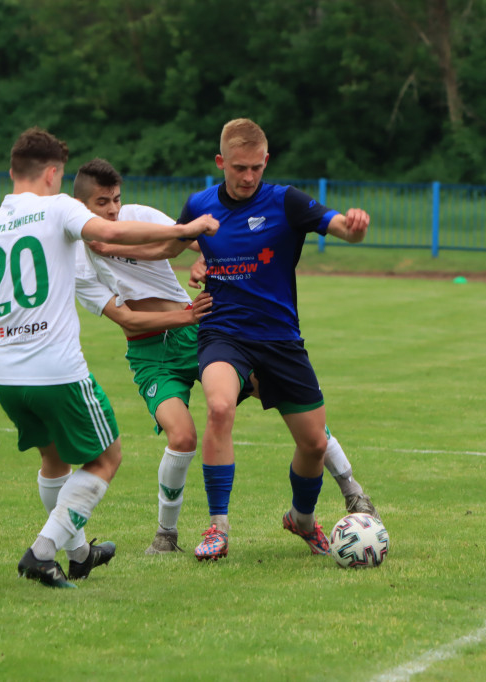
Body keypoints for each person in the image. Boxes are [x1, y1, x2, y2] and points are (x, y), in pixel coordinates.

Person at [0, 127, 218, 588]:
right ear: (53, 173)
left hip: (7, 374)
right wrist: (186, 229)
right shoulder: (58, 209)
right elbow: (110, 233)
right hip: (55, 369)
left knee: (53, 462)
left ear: (13, 171)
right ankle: (42, 550)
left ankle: (81, 552)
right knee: (106, 456)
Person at [74, 158, 378, 555]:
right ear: (81, 206)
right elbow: (127, 320)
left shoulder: (138, 217)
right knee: (181, 436)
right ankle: (167, 535)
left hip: (196, 333)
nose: (113, 210)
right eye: (102, 203)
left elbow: (195, 238)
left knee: (287, 396)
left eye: (116, 199)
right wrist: (183, 313)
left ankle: (349, 486)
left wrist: (204, 260)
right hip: (152, 352)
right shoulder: (77, 259)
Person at [177, 118, 371, 561]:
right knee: (220, 406)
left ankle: (301, 519)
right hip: (223, 332)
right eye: (239, 168)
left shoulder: (285, 201)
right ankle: (217, 527)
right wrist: (199, 258)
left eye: (256, 168)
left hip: (280, 338)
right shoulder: (200, 203)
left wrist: (354, 228)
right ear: (220, 162)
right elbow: (178, 239)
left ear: (267, 162)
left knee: (314, 443)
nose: (248, 178)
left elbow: (338, 226)